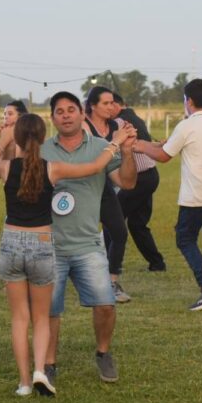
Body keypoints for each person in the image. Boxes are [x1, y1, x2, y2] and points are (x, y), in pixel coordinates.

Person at [0, 113, 133, 396]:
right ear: (42, 138)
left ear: (17, 139)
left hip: (11, 241)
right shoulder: (53, 168)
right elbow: (95, 166)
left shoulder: (4, 169)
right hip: (42, 242)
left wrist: (1, 143)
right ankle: (41, 369)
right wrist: (115, 142)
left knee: (19, 319)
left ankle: (24, 382)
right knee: (42, 317)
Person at [40, 91, 137, 384]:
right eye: (60, 111)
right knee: (50, 310)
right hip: (51, 243)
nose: (66, 115)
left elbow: (128, 182)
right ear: (53, 118)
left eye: (72, 109)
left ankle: (103, 353)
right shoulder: (42, 150)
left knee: (106, 304)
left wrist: (128, 152)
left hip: (88, 243)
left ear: (82, 114)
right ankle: (49, 364)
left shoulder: (101, 147)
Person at [135, 79, 202, 311]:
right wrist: (152, 145)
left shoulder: (187, 125)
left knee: (185, 238)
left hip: (198, 194)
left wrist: (140, 146)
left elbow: (163, 156)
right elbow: (171, 147)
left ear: (188, 101)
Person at [83, 86, 135, 302]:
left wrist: (130, 143)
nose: (112, 107)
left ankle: (112, 282)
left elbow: (116, 163)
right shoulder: (83, 127)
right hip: (81, 188)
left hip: (104, 185)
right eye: (106, 103)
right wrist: (116, 141)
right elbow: (89, 158)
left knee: (119, 232)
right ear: (92, 106)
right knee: (80, 237)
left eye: (113, 102)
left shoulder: (115, 125)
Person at [111, 92, 166, 272]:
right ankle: (157, 263)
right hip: (150, 175)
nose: (106, 109)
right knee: (137, 224)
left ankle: (111, 265)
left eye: (108, 104)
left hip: (138, 178)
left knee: (113, 220)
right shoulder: (134, 117)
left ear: (117, 105)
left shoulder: (119, 122)